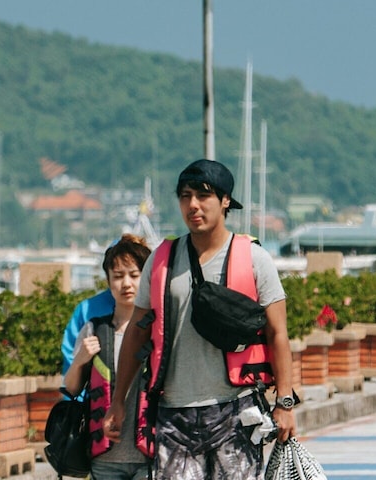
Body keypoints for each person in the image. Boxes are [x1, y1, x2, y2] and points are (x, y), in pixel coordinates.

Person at [105, 159, 295, 480]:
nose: (193, 205)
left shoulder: (254, 258)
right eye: (185, 196)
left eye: (203, 195)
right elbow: (137, 335)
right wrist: (118, 402)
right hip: (173, 414)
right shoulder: (162, 260)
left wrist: (285, 404)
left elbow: (278, 334)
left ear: (225, 201)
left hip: (237, 410)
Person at [59, 234, 153, 480]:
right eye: (118, 276)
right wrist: (80, 360)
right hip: (105, 459)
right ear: (108, 281)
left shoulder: (158, 332)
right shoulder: (93, 328)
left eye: (134, 275)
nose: (126, 284)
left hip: (150, 456)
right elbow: (70, 388)